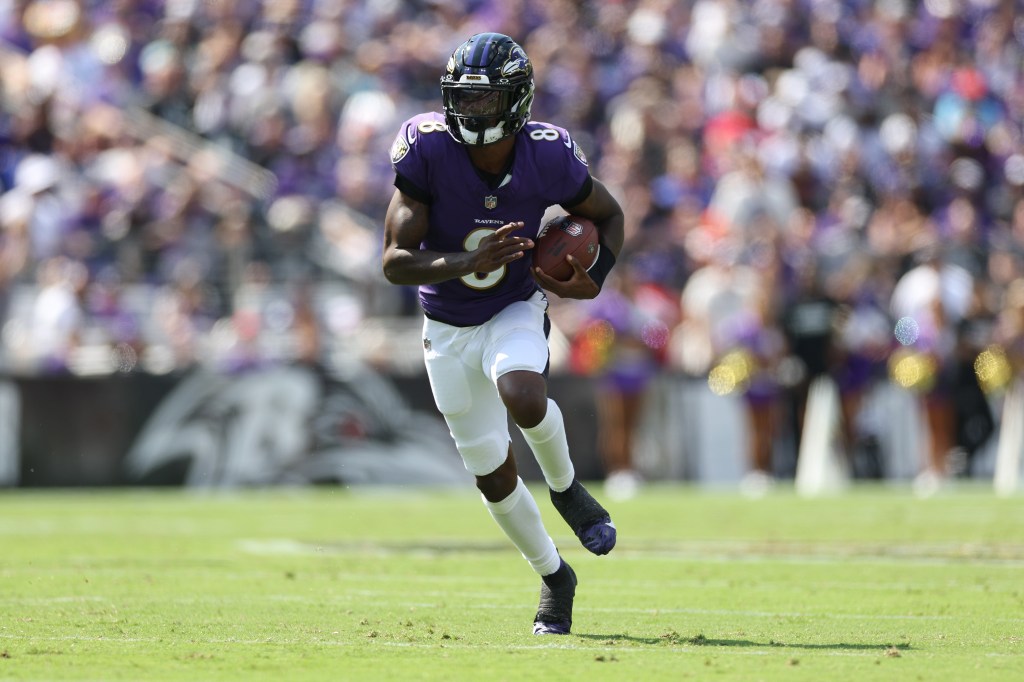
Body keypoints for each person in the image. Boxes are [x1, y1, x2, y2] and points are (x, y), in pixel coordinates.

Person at [382, 33, 625, 636]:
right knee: (491, 473)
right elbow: (393, 260)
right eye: (464, 99)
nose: (472, 112)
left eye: (486, 102)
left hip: (513, 306)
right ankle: (554, 576)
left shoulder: (549, 155)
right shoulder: (428, 149)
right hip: (445, 325)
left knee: (523, 393)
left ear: (515, 103)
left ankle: (568, 491)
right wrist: (464, 262)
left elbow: (609, 214)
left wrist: (592, 276)